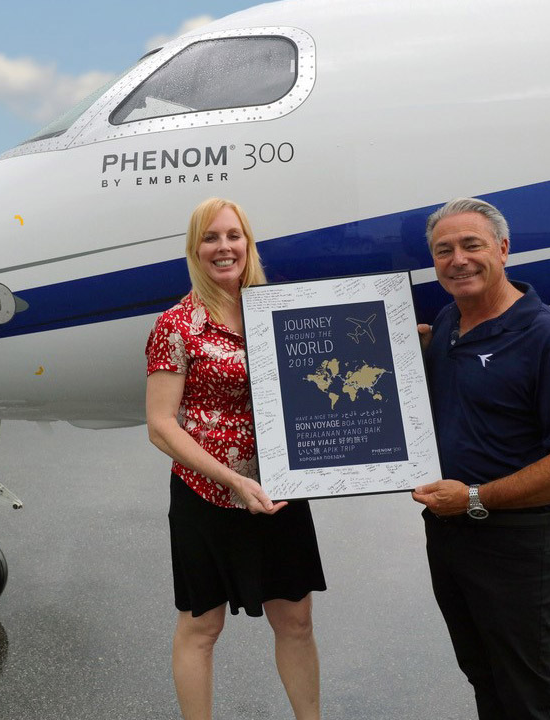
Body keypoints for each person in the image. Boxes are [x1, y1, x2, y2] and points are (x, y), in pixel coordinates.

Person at [412, 197, 550, 720]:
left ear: (502, 248)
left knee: (526, 690)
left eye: (472, 245)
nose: (458, 260)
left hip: (514, 543)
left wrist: (475, 496)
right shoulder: (449, 322)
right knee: (483, 673)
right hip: (450, 532)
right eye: (443, 250)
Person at [145, 197, 326, 720]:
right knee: (202, 628)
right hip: (207, 495)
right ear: (194, 250)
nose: (224, 248)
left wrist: (394, 340)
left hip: (280, 489)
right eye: (210, 238)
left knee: (296, 621)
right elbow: (161, 426)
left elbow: (329, 370)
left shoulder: (278, 313)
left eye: (233, 236)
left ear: (248, 243)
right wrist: (232, 480)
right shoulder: (177, 325)